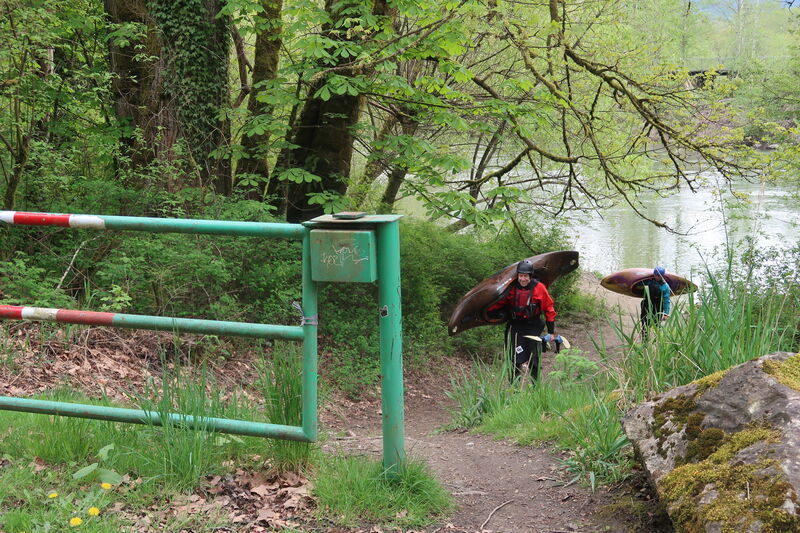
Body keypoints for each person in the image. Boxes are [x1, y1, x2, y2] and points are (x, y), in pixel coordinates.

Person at [486, 259, 557, 383]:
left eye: (525, 276)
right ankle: (514, 387)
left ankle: (536, 386)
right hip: (516, 326)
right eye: (521, 276)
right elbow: (500, 302)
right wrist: (488, 311)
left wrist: (551, 331)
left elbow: (549, 308)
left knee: (533, 357)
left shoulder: (539, 288)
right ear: (517, 275)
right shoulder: (511, 288)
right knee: (514, 357)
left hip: (533, 326)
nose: (523, 279)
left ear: (530, 276)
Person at [637, 266, 671, 337]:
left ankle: (655, 340)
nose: (656, 277)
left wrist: (666, 313)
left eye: (658, 276)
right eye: (655, 275)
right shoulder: (649, 281)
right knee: (644, 322)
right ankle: (644, 339)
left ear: (662, 276)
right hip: (646, 304)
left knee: (656, 324)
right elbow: (639, 285)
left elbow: (666, 300)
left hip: (658, 307)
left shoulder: (665, 286)